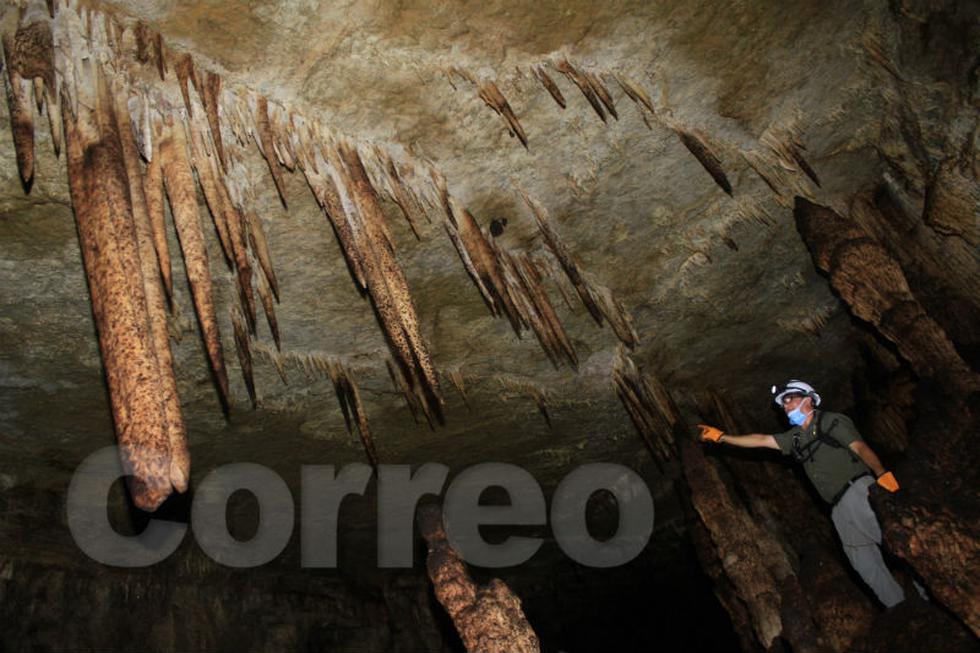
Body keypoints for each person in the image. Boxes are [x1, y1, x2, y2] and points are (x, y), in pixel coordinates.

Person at [697, 379, 908, 608]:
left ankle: (928, 588)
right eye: (783, 403)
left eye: (790, 400)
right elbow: (762, 440)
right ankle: (900, 606)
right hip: (837, 508)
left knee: (895, 542)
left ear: (808, 399)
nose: (786, 406)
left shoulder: (830, 420)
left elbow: (859, 447)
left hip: (859, 491)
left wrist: (881, 473)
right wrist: (722, 437)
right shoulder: (795, 438)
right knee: (863, 562)